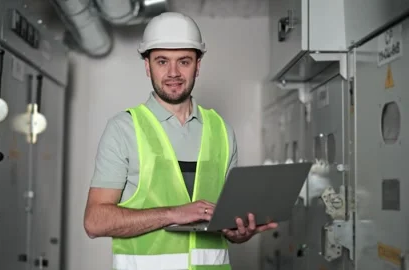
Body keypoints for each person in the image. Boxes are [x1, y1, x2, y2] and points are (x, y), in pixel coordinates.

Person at [83, 11, 278, 270]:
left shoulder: (222, 131)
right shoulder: (124, 129)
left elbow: (221, 218)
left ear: (197, 66)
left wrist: (237, 232)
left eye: (183, 61)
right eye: (162, 61)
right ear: (147, 66)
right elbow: (95, 222)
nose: (173, 72)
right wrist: (173, 214)